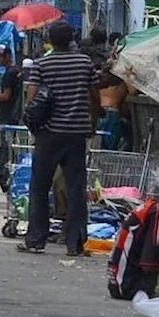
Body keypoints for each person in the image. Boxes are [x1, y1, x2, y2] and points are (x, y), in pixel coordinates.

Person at [18, 21, 100, 257]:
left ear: (50, 41)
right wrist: (91, 123)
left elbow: (32, 99)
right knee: (75, 189)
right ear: (72, 39)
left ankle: (35, 239)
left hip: (48, 134)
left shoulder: (41, 64)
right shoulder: (84, 62)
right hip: (76, 134)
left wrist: (35, 127)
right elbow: (94, 97)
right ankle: (75, 243)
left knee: (40, 187)